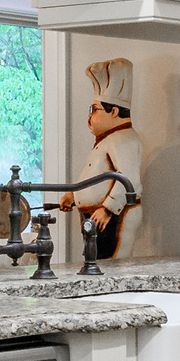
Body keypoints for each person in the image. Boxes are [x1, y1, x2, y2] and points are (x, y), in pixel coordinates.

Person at [62, 58, 144, 262]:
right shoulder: (108, 139)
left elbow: (128, 179)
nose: (89, 117)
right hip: (96, 218)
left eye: (94, 110)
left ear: (114, 111)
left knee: (110, 265)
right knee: (96, 263)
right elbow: (96, 176)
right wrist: (74, 195)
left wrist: (107, 209)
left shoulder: (124, 139)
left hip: (112, 218)